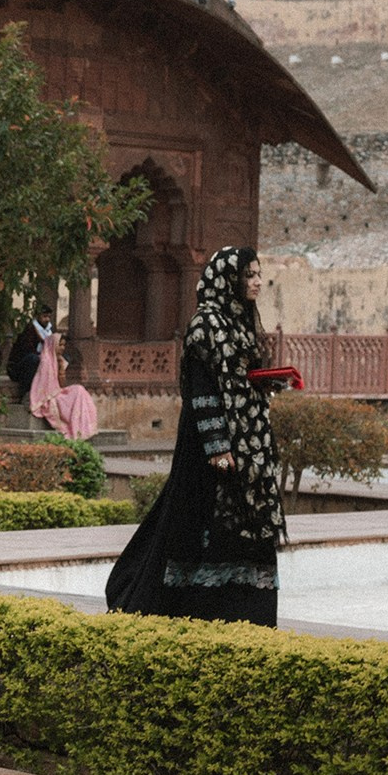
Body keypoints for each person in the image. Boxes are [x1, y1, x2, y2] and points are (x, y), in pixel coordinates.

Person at [107, 247, 287, 626]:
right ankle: (207, 610)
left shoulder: (239, 321)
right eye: (248, 275)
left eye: (258, 274)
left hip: (248, 445)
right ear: (228, 279)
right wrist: (218, 446)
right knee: (209, 525)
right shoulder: (206, 325)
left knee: (247, 525)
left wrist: (266, 385)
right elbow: (202, 391)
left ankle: (249, 615)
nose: (256, 281)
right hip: (214, 451)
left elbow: (238, 381)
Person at [5, 305, 53, 403]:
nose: (47, 319)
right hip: (19, 367)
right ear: (37, 317)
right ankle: (26, 393)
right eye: (44, 316)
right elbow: (26, 351)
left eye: (48, 317)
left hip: (39, 362)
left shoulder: (49, 331)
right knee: (34, 359)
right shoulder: (29, 329)